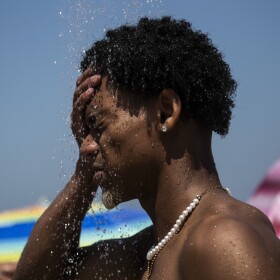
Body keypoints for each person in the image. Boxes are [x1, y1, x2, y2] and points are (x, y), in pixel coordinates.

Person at [14, 16, 280, 280]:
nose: (87, 145)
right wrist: (83, 175)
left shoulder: (225, 241)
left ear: (165, 111)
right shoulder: (146, 250)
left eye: (98, 125)